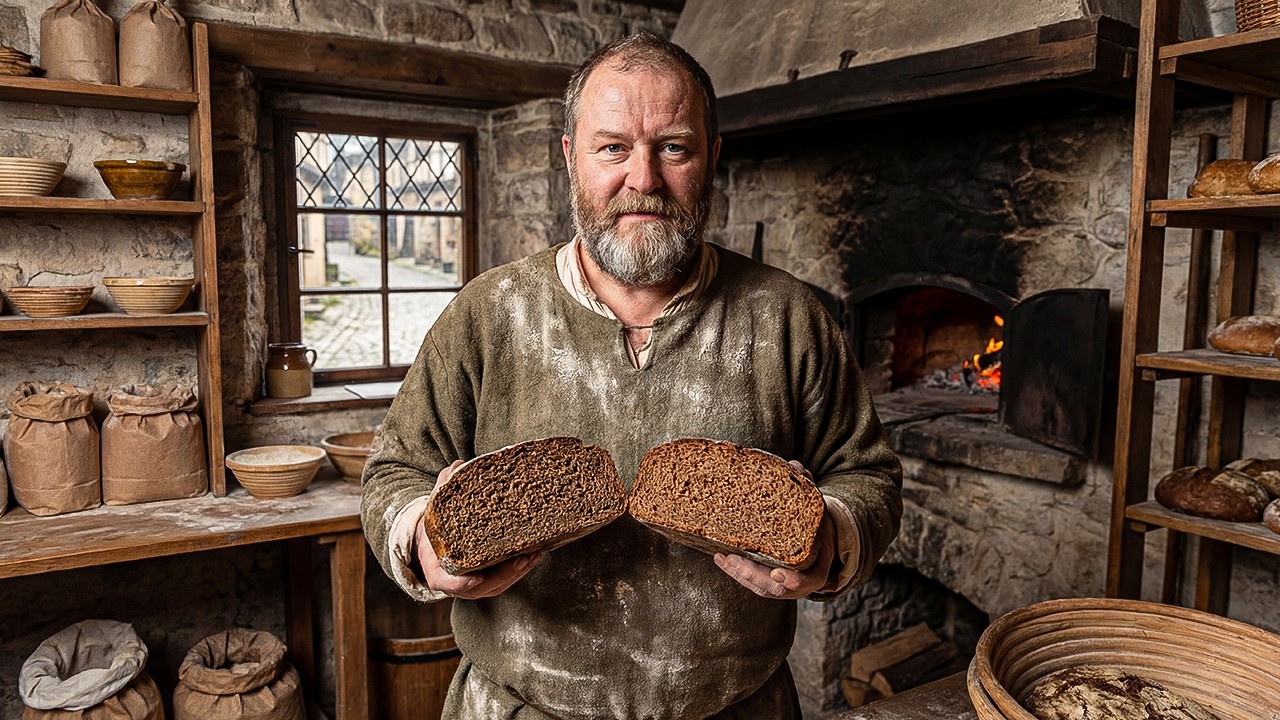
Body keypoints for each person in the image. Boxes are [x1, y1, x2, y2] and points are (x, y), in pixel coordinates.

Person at [361, 31, 903, 720]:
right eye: (613, 147)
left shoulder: (787, 316)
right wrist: (421, 536)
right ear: (570, 157)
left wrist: (832, 536)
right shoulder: (488, 313)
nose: (643, 179)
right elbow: (394, 473)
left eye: (673, 147)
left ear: (712, 157)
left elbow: (869, 476)